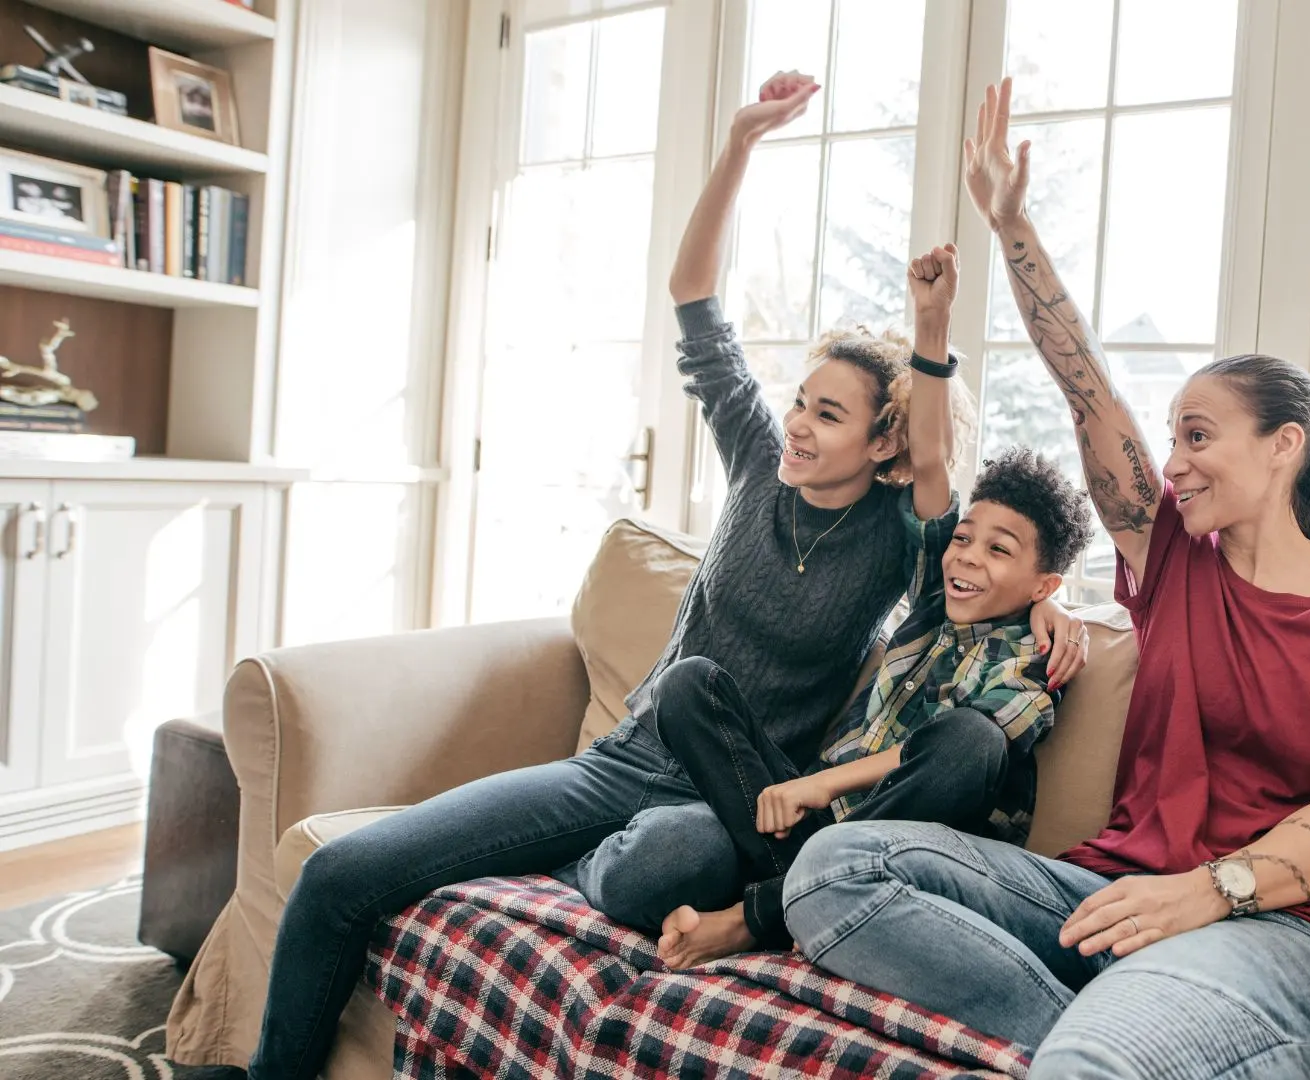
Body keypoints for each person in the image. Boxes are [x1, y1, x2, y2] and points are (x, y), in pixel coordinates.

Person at [236, 71, 1087, 1080]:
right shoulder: (753, 462)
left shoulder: (899, 536)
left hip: (742, 802)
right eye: (799, 401)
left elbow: (952, 485)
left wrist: (1050, 588)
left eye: (827, 414)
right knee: (342, 872)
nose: (797, 425)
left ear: (879, 440)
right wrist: (737, 143)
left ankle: (610, 873)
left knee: (672, 860)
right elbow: (694, 297)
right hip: (626, 758)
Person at [782, 77, 1310, 1080]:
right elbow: (1084, 386)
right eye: (1171, 437)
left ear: (1282, 449)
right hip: (1105, 897)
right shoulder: (1176, 561)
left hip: (1279, 934)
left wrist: (1211, 891)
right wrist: (1012, 228)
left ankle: (1111, 1047)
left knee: (1102, 1058)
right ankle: (1099, 1038)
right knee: (831, 871)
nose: (1173, 461)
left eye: (1198, 436)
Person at [656, 419, 1097, 966]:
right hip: (809, 827)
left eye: (999, 550)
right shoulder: (935, 603)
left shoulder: (1035, 656)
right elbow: (931, 470)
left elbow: (961, 752)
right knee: (688, 683)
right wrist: (809, 791)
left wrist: (818, 785)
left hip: (904, 843)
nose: (967, 556)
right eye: (964, 538)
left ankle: (757, 917)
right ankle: (799, 893)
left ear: (1044, 586)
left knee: (971, 739)